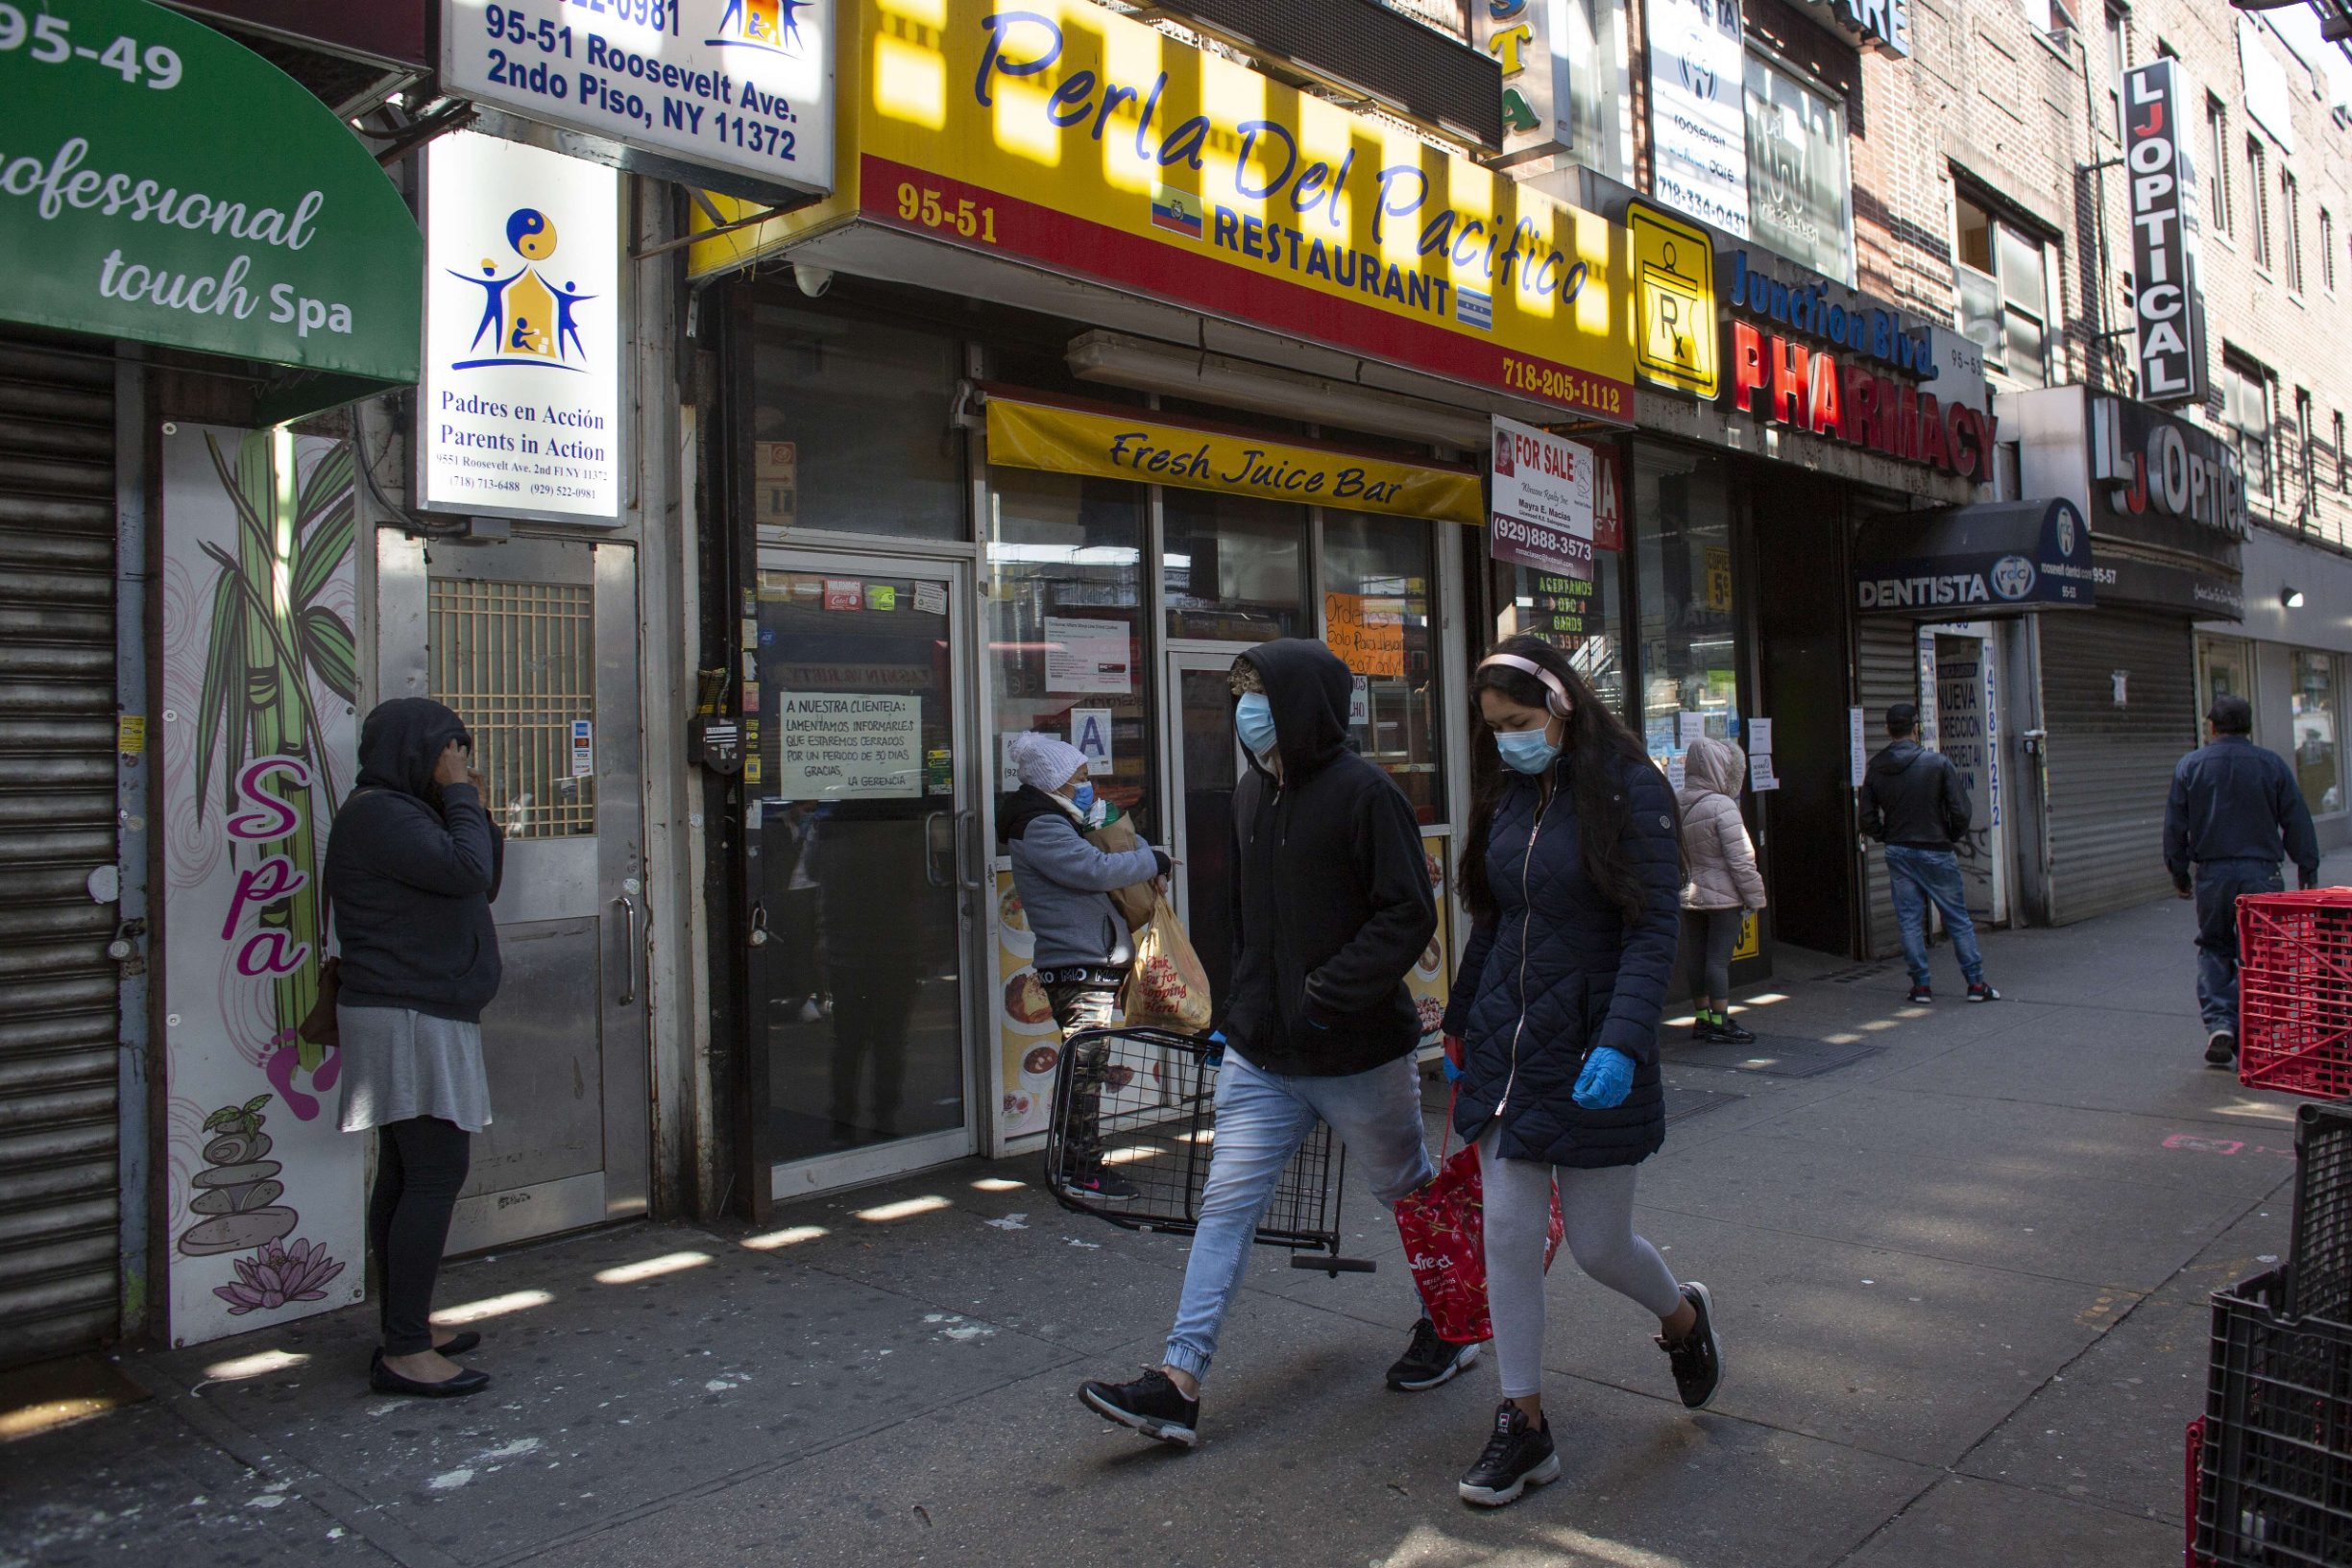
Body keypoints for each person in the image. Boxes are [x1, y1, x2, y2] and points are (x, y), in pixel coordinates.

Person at [1078, 639, 1454, 1448]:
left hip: (1357, 1057)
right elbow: (1246, 919)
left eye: (1260, 693)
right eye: (1239, 695)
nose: (1247, 710)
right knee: (1225, 1206)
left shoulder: (1366, 795)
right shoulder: (1250, 796)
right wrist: (1239, 1007)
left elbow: (1407, 914)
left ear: (1304, 706)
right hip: (1262, 1053)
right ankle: (1177, 1381)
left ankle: (1451, 1321)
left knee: (1407, 1195)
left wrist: (1326, 990)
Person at [1442, 639, 1723, 1508]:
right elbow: (1495, 915)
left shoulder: (1628, 787)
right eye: (1493, 730)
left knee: (1600, 1245)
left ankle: (1681, 1318)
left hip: (1591, 1043)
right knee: (1509, 1236)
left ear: (1562, 706)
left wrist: (1622, 1038)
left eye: (1519, 724)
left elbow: (1650, 929)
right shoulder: (1509, 794)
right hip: (1507, 1048)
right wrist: (1459, 1017)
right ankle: (1522, 1422)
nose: (1506, 742)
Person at [327, 698, 504, 1400]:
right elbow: (466, 871)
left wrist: (469, 799)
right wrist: (458, 794)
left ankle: (406, 1325)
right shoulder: (379, 814)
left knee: (408, 1170)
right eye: (444, 749)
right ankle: (403, 1349)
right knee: (433, 1170)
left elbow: (482, 875)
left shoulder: (408, 813)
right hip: (405, 1013)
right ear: (411, 749)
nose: (453, 760)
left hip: (419, 1009)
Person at [999, 732, 1169, 1197]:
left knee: (1086, 1065)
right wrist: (1150, 859)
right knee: (1085, 1068)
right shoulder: (1041, 825)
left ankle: (1077, 1161)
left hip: (1089, 960)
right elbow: (1092, 869)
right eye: (1080, 778)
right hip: (1076, 963)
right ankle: (1081, 1168)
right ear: (1054, 781)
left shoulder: (1060, 819)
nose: (1087, 785)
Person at [2164, 694, 2321, 1067]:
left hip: (2213, 874)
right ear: (2249, 727)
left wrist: (2179, 871)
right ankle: (2260, 1029)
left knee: (2215, 947)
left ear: (2213, 727)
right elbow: (2297, 819)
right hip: (2261, 872)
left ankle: (2221, 1025)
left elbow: (2175, 826)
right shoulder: (2271, 765)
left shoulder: (2191, 765)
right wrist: (2308, 870)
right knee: (2264, 951)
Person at [1859, 703, 1999, 1005]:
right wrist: (1949, 835)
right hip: (1936, 849)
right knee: (1957, 917)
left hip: (1899, 851)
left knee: (1909, 919)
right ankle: (1976, 984)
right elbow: (1961, 810)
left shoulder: (1877, 766)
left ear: (1887, 729)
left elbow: (1866, 818)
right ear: (1915, 728)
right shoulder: (1937, 763)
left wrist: (1886, 835)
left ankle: (1921, 986)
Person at [1677, 734, 1767, 1045]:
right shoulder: (1723, 806)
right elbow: (1741, 860)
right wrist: (1755, 898)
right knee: (1717, 960)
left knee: (1696, 958)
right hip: (1724, 897)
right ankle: (1720, 1020)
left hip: (1689, 894)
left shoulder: (1676, 800)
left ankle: (1701, 1018)